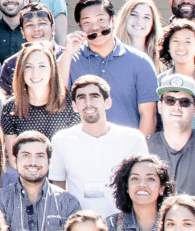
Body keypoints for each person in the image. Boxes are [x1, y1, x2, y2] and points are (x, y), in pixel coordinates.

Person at [50, 74, 150, 215]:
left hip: (123, 220)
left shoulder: (133, 138)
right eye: (81, 97)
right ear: (74, 106)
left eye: (94, 96)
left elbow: (144, 183)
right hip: (79, 222)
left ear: (107, 102)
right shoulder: (61, 140)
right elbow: (57, 187)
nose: (88, 103)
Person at [67, 0, 159, 136]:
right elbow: (58, 100)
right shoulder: (71, 59)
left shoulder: (140, 62)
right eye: (87, 22)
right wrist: (67, 54)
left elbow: (148, 115)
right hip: (83, 145)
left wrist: (139, 147)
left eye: (101, 20)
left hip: (127, 146)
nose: (95, 27)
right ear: (80, 26)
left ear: (113, 20)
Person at [0, 130, 76, 231]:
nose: (33, 162)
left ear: (49, 161)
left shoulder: (68, 203)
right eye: (26, 155)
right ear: (14, 160)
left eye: (40, 156)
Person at [147, 72, 195, 202]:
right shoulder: (145, 147)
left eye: (184, 102)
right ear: (160, 106)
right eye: (169, 101)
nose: (176, 107)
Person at [4, 41, 74, 143]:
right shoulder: (10, 108)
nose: (35, 73)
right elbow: (13, 152)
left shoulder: (70, 104)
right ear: (21, 71)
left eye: (42, 66)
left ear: (52, 69)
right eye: (28, 66)